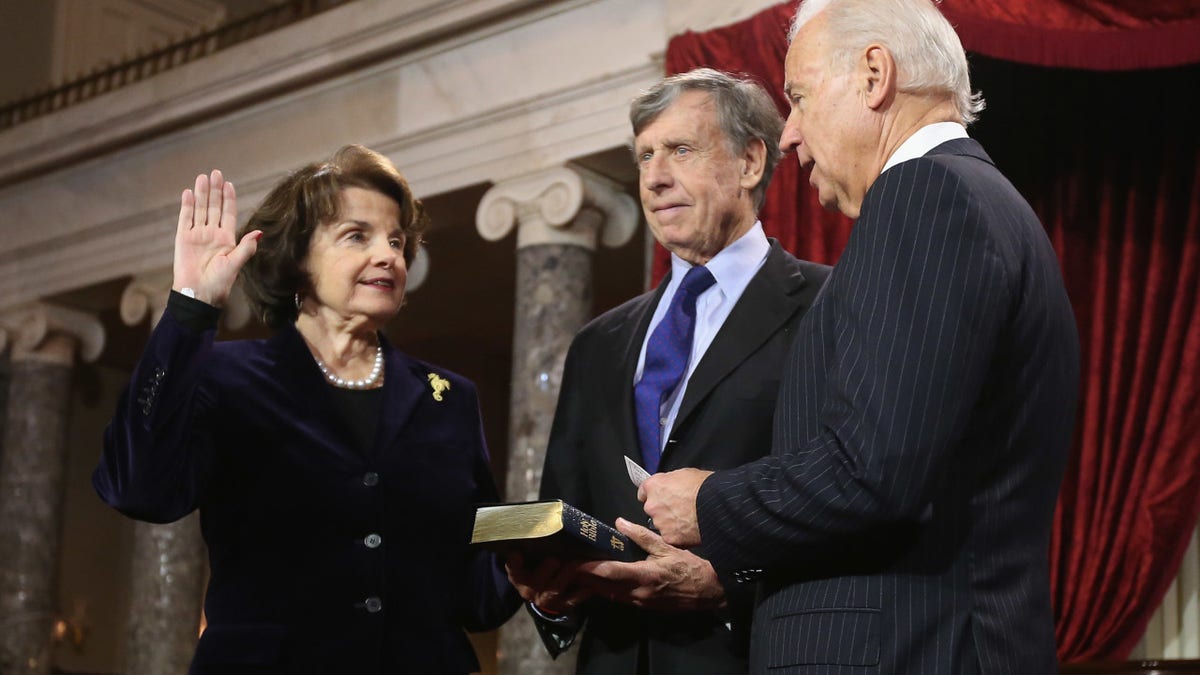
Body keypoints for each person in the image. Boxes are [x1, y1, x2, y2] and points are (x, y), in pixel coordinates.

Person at [639, 1, 1081, 673]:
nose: (789, 136)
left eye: (800, 97)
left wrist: (708, 501)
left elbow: (873, 470)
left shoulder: (925, 194)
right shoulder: (978, 198)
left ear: (875, 74)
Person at [94, 145, 521, 674]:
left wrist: (537, 578)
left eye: (397, 240)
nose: (388, 255)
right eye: (357, 236)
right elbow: (138, 488)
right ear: (298, 260)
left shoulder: (450, 399)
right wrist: (191, 307)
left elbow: (474, 593)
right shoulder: (226, 377)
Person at [507, 69, 830, 674]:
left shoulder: (829, 305)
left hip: (755, 656)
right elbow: (566, 505)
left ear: (750, 162)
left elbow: (849, 497)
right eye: (645, 156)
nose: (654, 178)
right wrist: (553, 598)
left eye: (681, 150)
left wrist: (729, 582)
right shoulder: (598, 343)